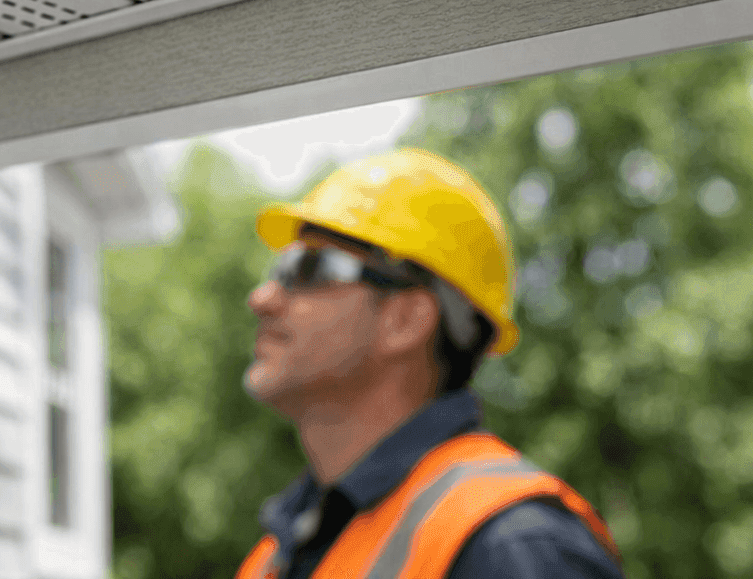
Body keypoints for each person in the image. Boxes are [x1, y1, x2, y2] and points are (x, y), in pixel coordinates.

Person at [234, 148, 622, 579]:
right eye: (280, 268)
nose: (262, 298)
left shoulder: (513, 545)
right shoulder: (270, 561)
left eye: (311, 269)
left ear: (406, 320)